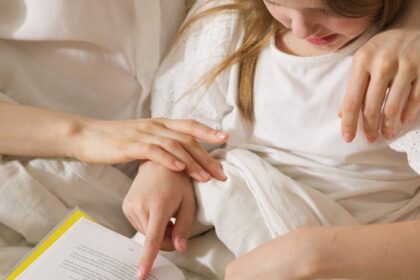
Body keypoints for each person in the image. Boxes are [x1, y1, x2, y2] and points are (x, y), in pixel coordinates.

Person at [123, 0, 420, 279]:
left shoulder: (402, 67)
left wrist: (316, 255)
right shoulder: (229, 25)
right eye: (278, 2)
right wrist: (161, 165)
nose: (302, 29)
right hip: (211, 245)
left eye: (328, 8)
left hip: (352, 252)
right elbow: (179, 129)